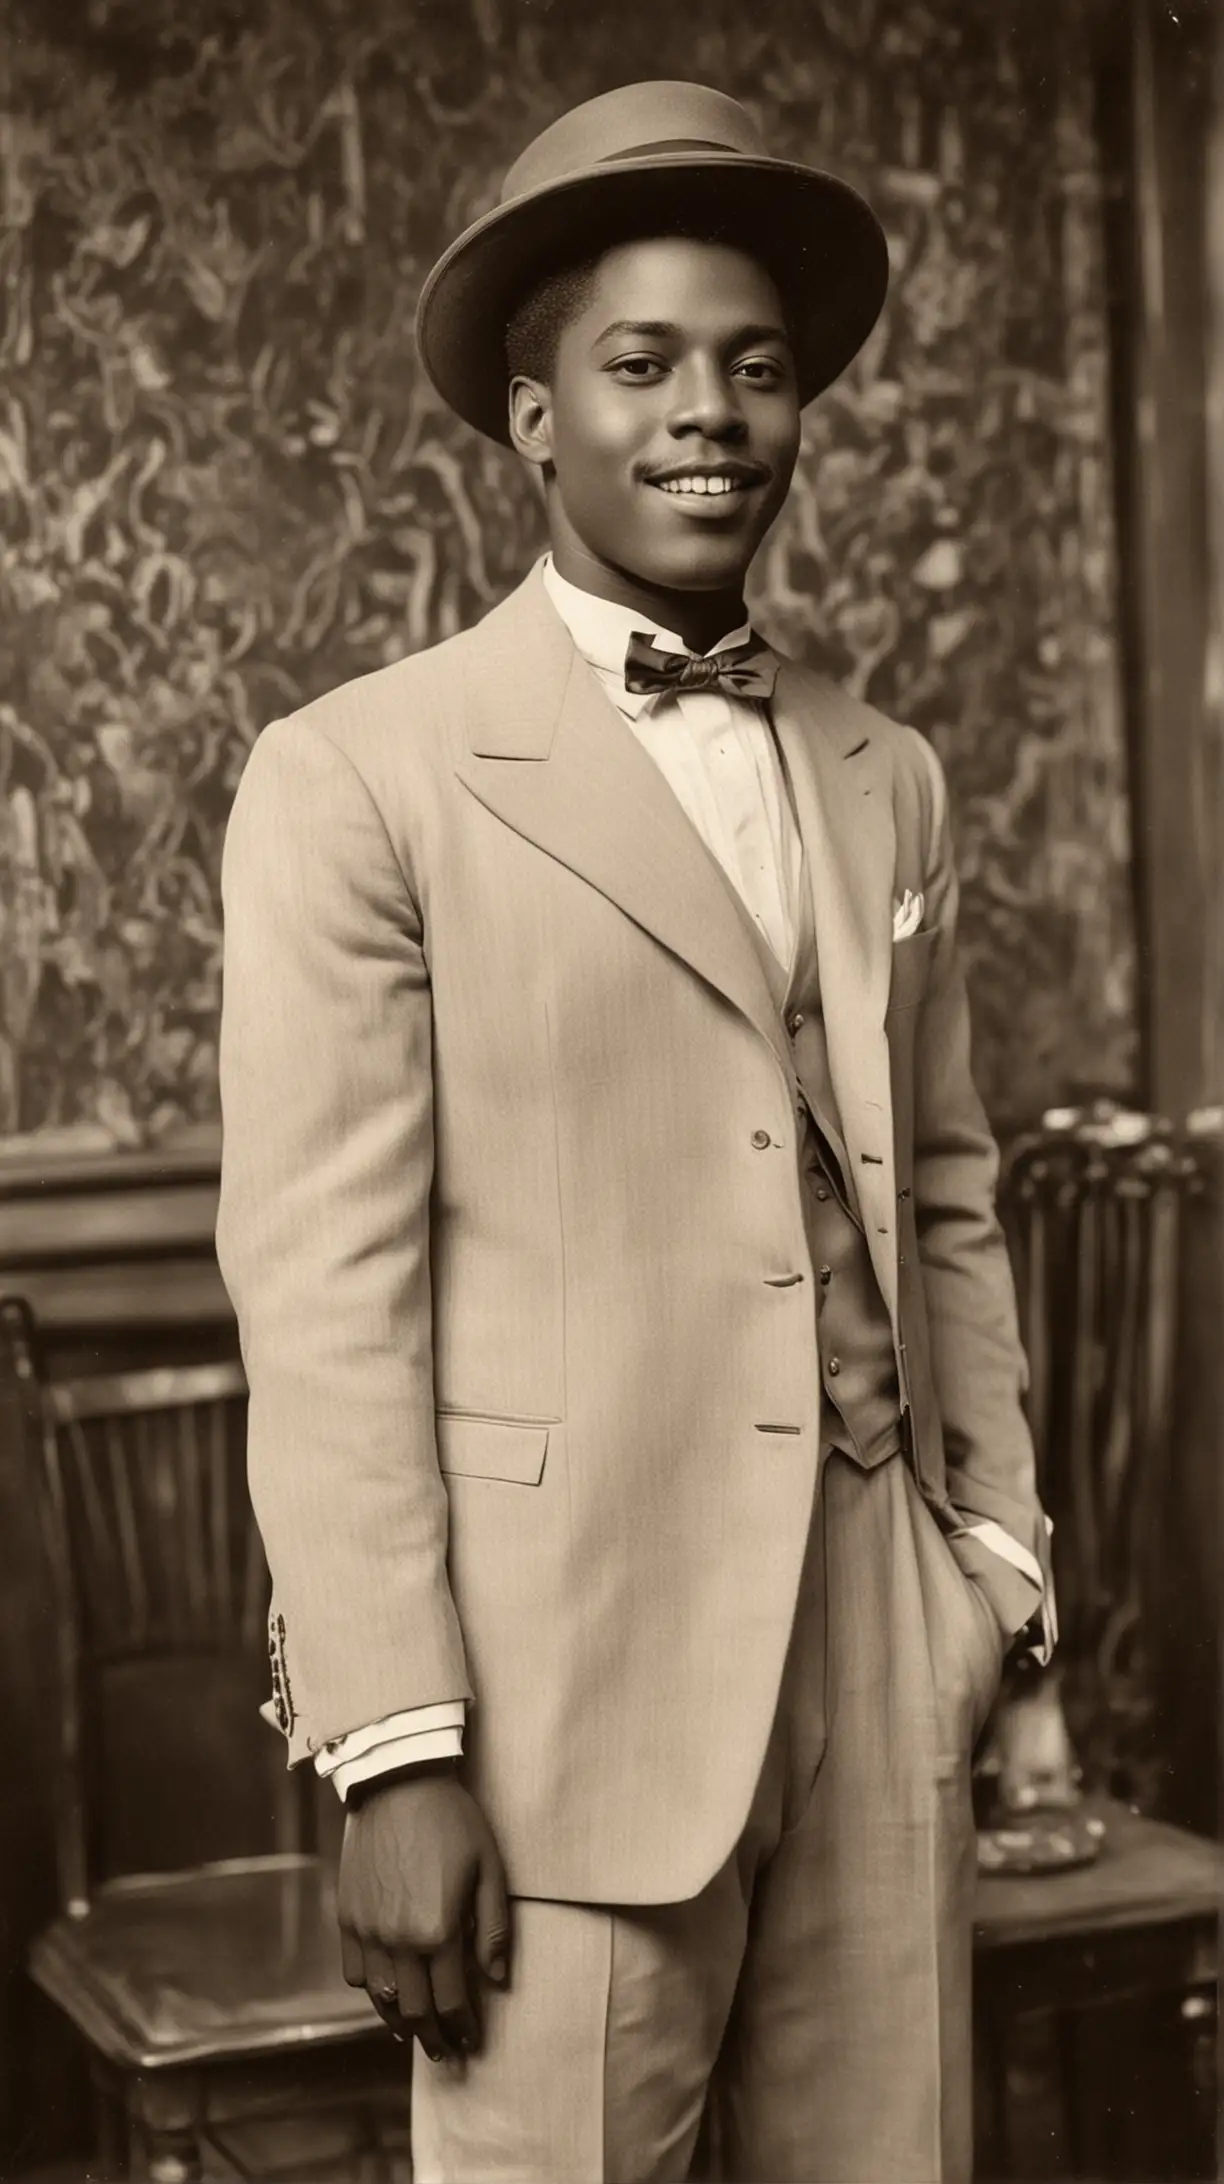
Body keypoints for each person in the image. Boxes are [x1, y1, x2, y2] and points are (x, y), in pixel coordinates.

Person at [215, 79, 1055, 2184]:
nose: (712, 414)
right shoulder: (363, 779)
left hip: (880, 1637)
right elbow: (326, 1296)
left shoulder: (889, 774)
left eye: (757, 371)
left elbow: (943, 1189)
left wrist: (996, 1572)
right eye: (645, 365)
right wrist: (395, 1751)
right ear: (535, 420)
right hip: (555, 1688)